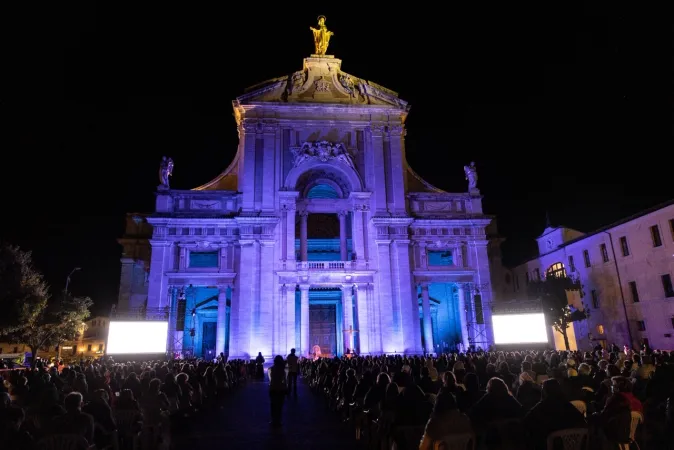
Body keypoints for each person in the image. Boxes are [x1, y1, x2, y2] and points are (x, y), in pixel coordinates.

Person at [268, 355, 288, 427]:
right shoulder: (284, 370)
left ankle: (273, 420)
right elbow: (285, 381)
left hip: (273, 388)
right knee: (280, 406)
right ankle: (279, 420)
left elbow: (270, 380)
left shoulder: (270, 369)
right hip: (281, 389)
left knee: (273, 406)